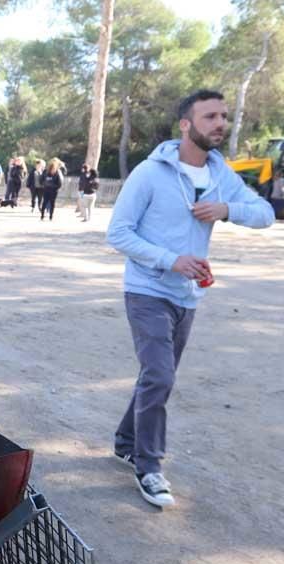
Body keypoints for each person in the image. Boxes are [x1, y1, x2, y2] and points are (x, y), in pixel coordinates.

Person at [106, 89, 273, 508]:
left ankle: (127, 440)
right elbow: (118, 232)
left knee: (154, 376)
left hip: (189, 296)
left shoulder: (222, 175)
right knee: (160, 376)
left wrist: (226, 210)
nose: (220, 123)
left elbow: (266, 214)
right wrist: (170, 260)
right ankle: (149, 466)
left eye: (223, 116)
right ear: (186, 124)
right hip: (147, 289)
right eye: (210, 117)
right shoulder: (150, 173)